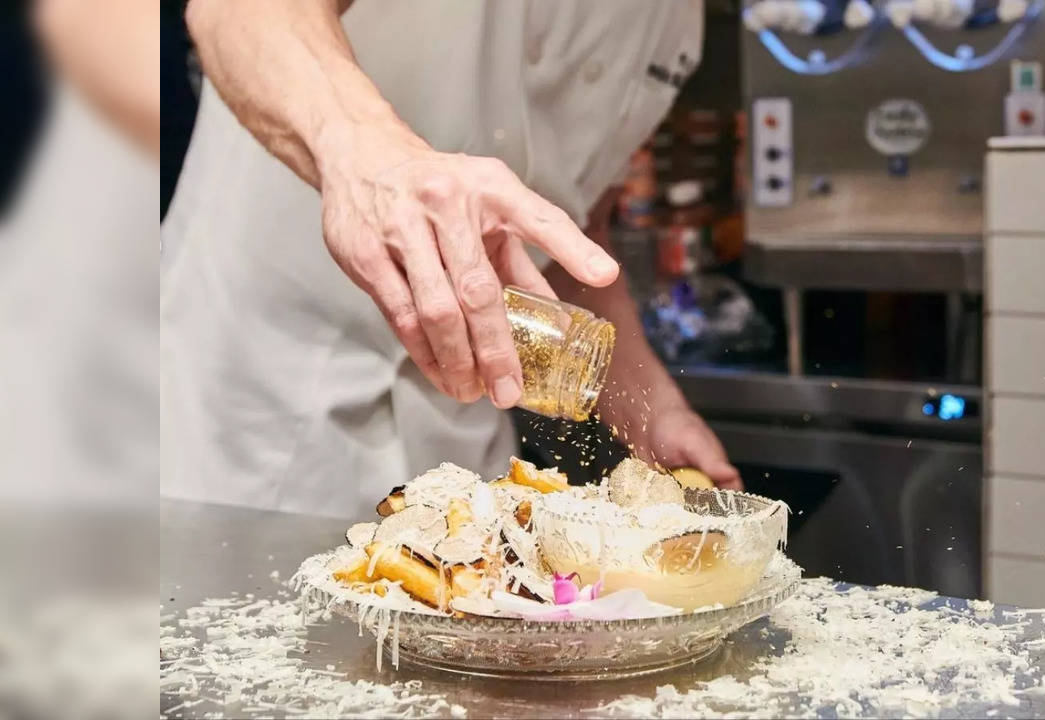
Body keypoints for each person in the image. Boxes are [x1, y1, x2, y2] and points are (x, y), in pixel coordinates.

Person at [161, 0, 742, 518]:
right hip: (251, 421)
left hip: (459, 455)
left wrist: (652, 411)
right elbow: (236, 13)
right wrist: (366, 155)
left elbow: (571, 231)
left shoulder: (676, 22)